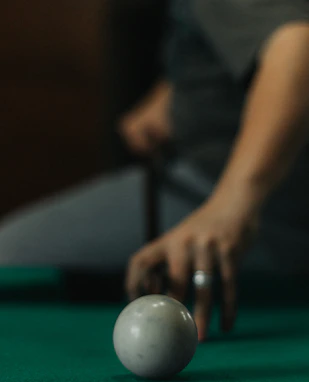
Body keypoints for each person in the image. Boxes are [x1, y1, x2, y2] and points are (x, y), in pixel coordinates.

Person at [1, 0, 309, 341]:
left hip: (240, 199)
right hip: (243, 190)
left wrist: (231, 205)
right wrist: (178, 93)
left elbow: (297, 48)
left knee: (9, 260)